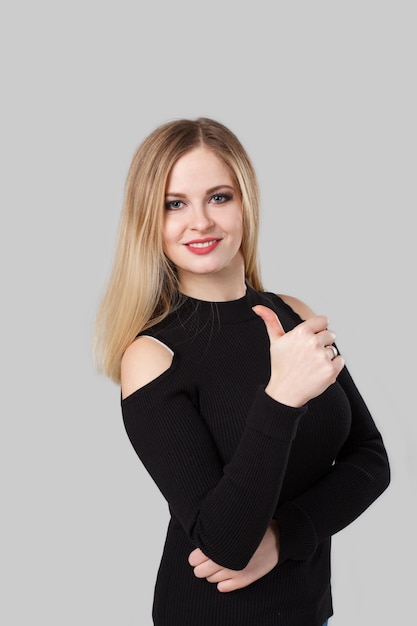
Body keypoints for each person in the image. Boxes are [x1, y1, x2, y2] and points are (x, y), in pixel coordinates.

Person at [94, 117, 390, 626]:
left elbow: (372, 460)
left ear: (245, 203)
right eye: (175, 203)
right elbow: (224, 543)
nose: (201, 222)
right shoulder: (151, 357)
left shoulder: (293, 313)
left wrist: (283, 537)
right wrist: (281, 399)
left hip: (310, 610)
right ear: (149, 219)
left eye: (219, 197)